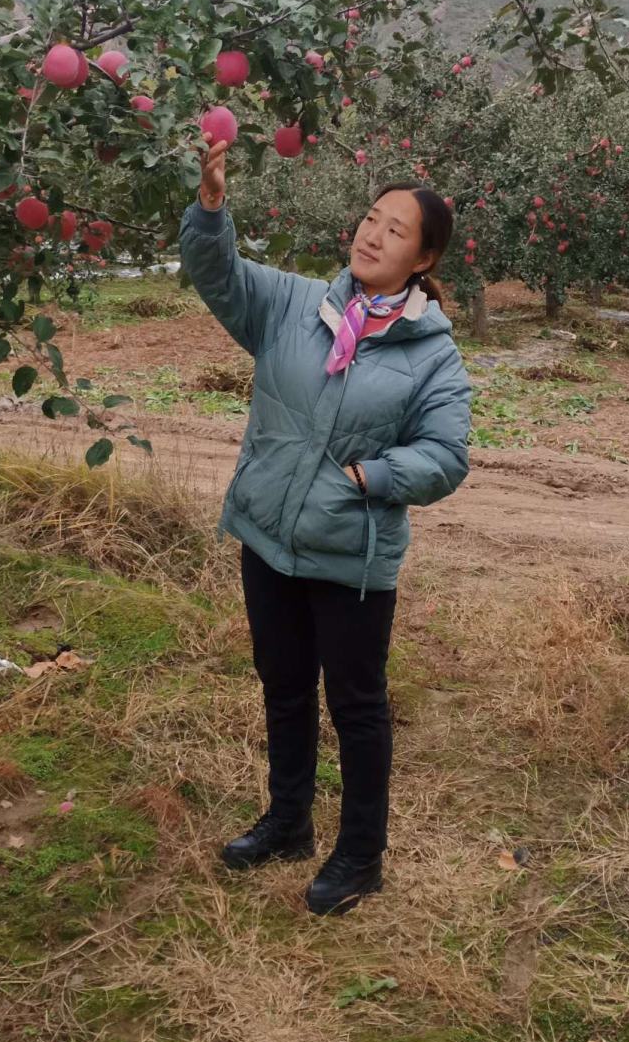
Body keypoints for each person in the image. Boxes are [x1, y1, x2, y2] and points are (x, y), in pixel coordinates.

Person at [180, 138, 470, 916]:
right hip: (270, 538)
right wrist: (212, 208)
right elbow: (218, 274)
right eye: (370, 218)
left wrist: (370, 478)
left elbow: (446, 456)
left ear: (423, 257)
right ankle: (288, 821)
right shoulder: (294, 306)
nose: (372, 235)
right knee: (282, 686)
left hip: (351, 556)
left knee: (357, 704)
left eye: (395, 230)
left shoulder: (432, 356)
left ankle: (361, 854)